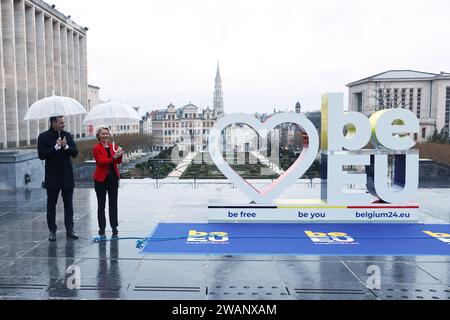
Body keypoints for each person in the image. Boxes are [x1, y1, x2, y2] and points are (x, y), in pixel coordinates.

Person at [38, 116, 79, 241]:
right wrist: (56, 147)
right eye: (61, 122)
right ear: (53, 122)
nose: (63, 124)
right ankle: (52, 231)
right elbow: (41, 155)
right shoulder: (43, 136)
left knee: (69, 205)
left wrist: (66, 147)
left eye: (63, 122)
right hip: (52, 177)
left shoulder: (67, 135)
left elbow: (75, 153)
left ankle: (70, 230)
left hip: (67, 176)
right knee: (51, 205)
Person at [92, 126, 124, 238]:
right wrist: (114, 157)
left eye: (107, 133)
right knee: (101, 205)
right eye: (103, 134)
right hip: (101, 179)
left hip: (113, 178)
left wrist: (120, 153)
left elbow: (118, 161)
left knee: (113, 204)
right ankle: (102, 228)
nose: (105, 135)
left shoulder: (112, 146)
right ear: (98, 136)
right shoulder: (96, 148)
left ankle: (114, 226)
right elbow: (101, 162)